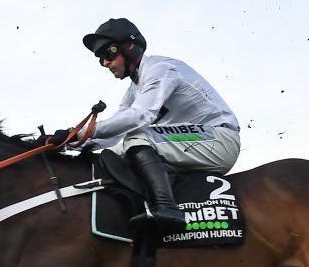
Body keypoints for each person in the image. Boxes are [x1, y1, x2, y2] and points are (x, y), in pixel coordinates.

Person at [50, 18, 240, 234]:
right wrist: (68, 142)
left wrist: (81, 132)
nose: (104, 63)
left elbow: (139, 117)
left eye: (108, 53)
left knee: (138, 137)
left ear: (129, 46)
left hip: (219, 139)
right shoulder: (134, 89)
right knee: (111, 154)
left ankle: (166, 209)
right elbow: (115, 132)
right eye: (100, 58)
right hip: (188, 143)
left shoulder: (160, 69)